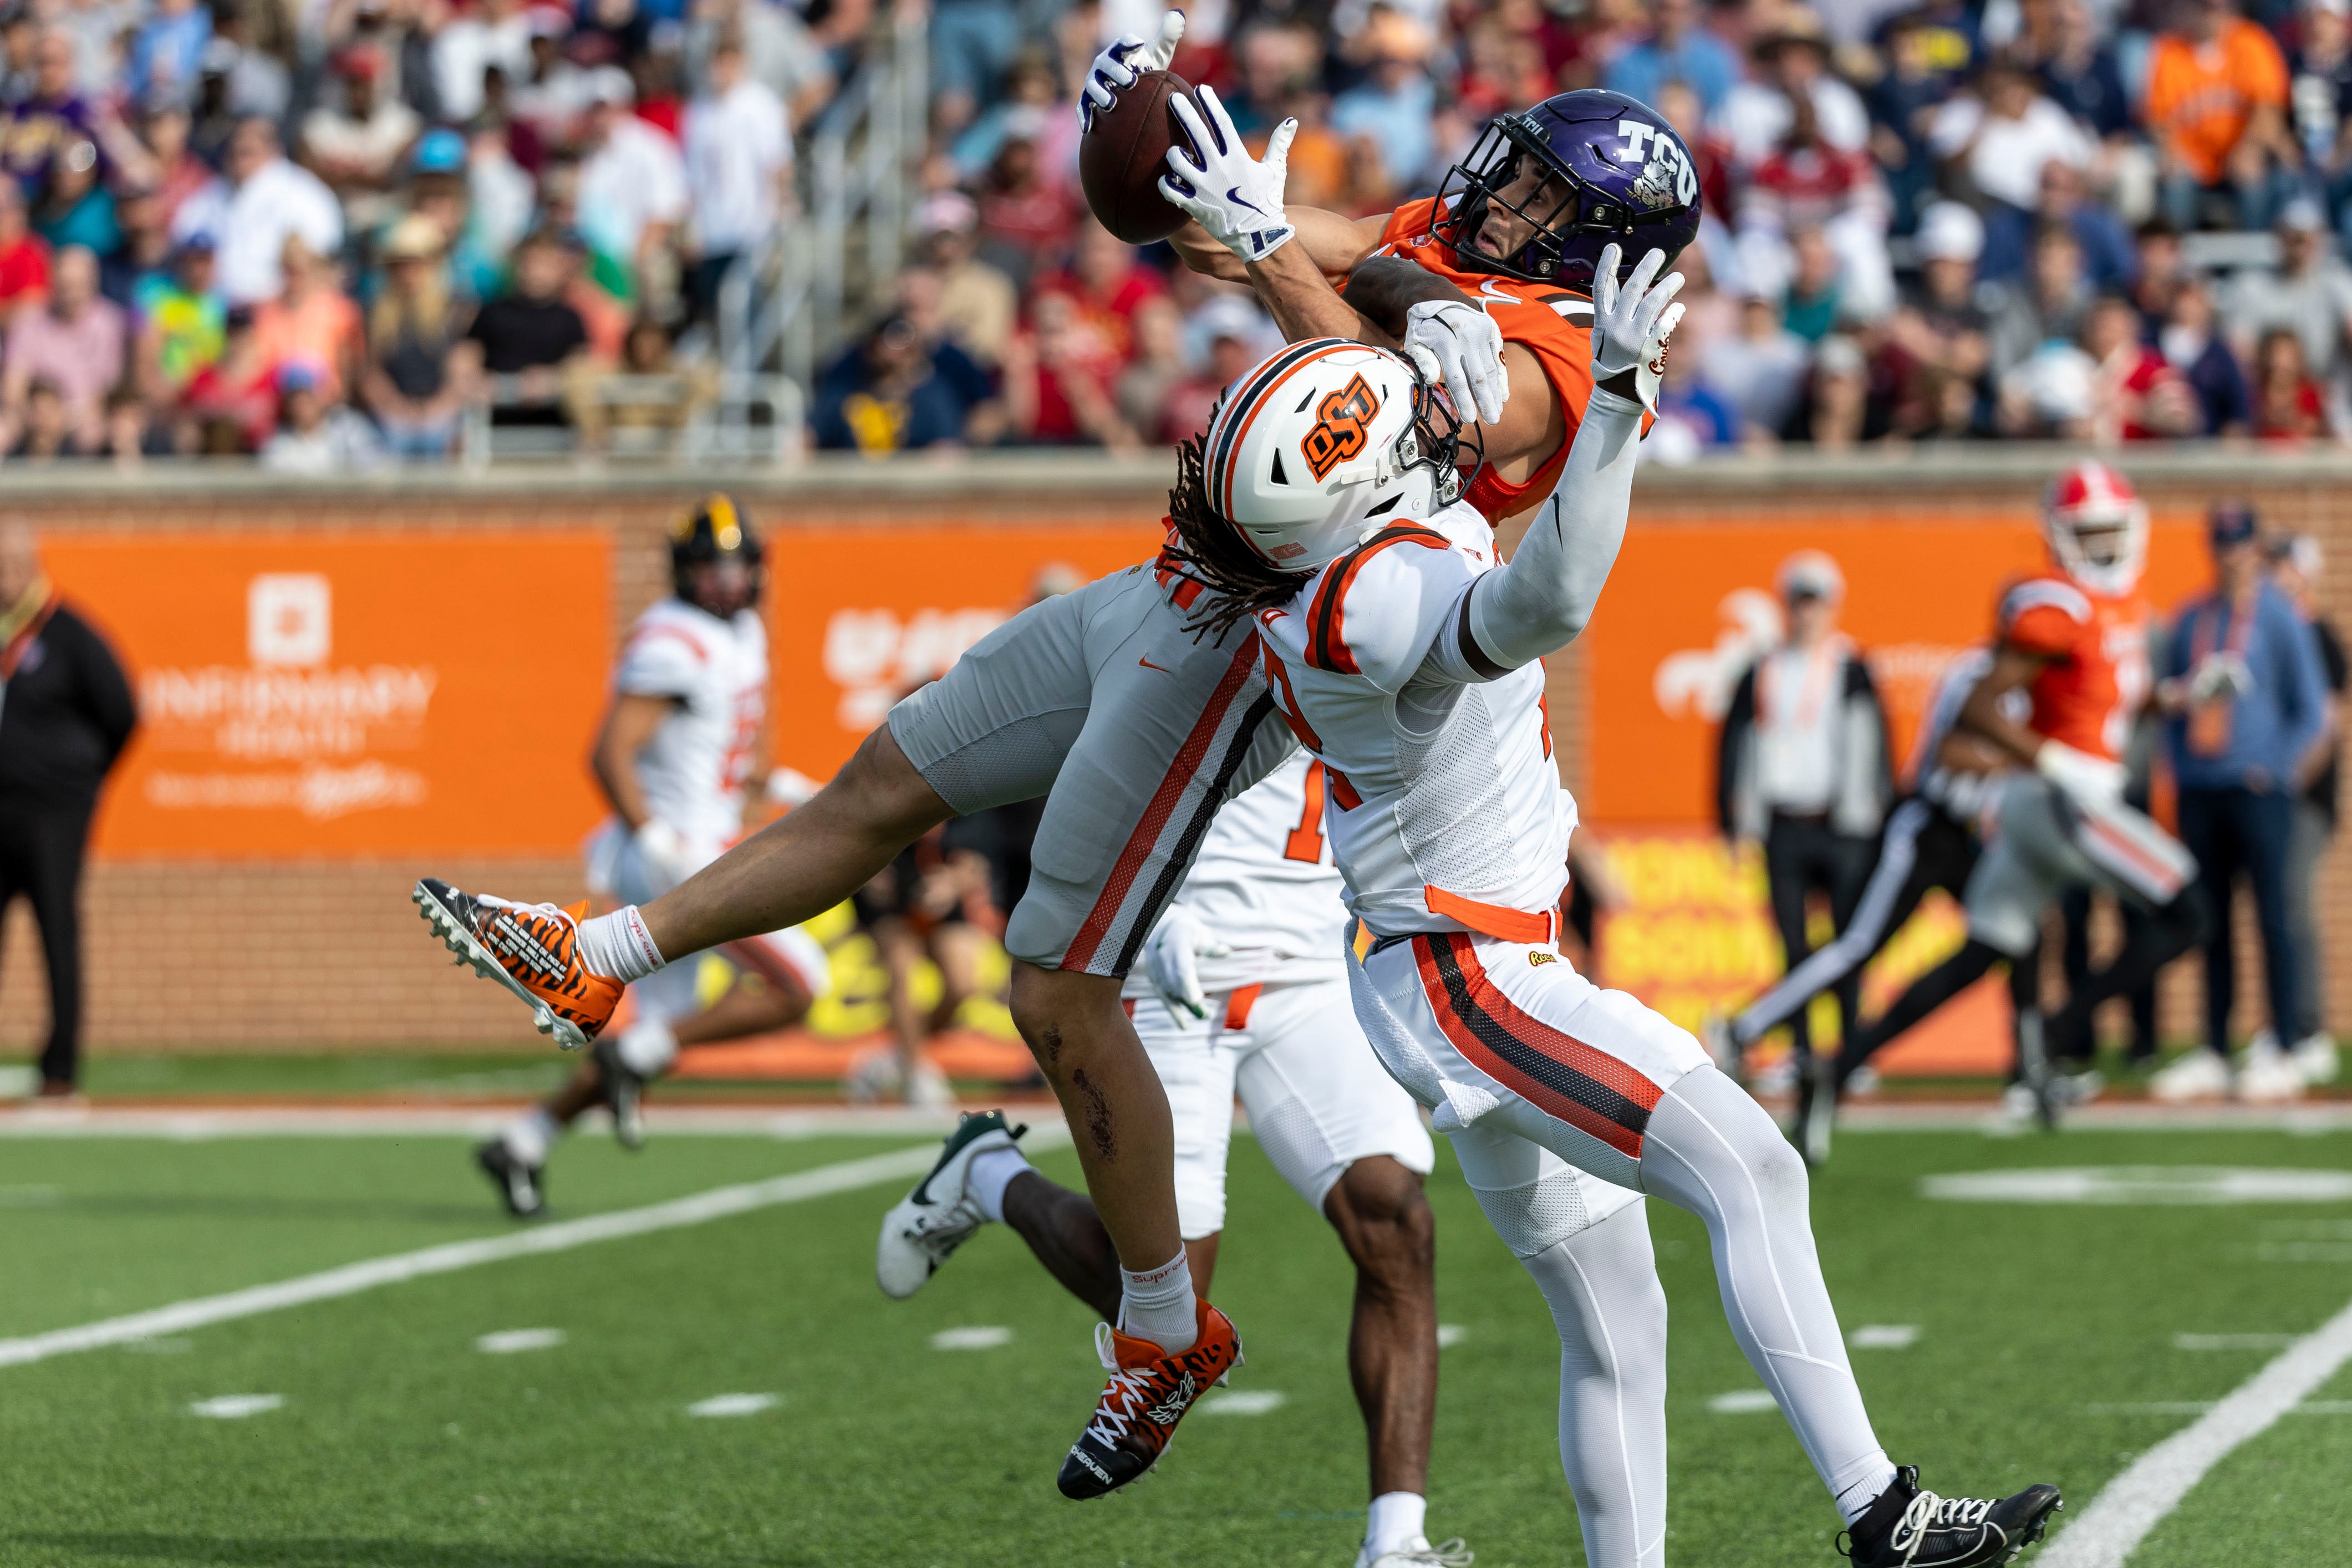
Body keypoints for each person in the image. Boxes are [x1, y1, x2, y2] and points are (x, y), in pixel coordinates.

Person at [1149, 105, 2057, 1561]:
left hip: (1446, 953)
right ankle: (1880, 1513)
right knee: (1751, 1166)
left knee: (1618, 1312)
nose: (1484, 193)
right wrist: (1609, 398)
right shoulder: (1368, 588)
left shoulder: (1360, 526)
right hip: (1471, 972)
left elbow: (1339, 299)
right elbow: (1541, 603)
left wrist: (1276, 232)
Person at [877, 754, 1462, 1568]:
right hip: (1169, 972)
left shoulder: (1355, 628)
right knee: (1164, 1307)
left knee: (1394, 1215)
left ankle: (1397, 1540)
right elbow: (1079, 775)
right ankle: (987, 1175)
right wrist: (1148, 920)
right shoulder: (1173, 625)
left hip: (1309, 970)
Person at [475, 498, 834, 1217]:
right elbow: (609, 753)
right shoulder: (675, 639)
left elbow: (727, 760)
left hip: (706, 843)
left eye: (738, 565)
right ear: (684, 571)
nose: (728, 581)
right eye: (712, 566)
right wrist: (655, 839)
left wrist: (790, 787)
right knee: (802, 983)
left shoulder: (742, 634)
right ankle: (635, 1061)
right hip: (676, 855)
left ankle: (524, 1140)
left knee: (646, 1040)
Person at [1837, 464, 2208, 1126]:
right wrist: (2054, 759)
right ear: (2061, 537)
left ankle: (1838, 1065)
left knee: (1983, 951)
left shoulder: (2121, 603)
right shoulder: (2059, 605)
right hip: (2064, 803)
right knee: (2189, 913)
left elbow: (2113, 700)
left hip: (2058, 801)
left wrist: (2182, 697)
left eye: (2110, 532)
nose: (2103, 547)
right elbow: (1978, 710)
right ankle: (2059, 1032)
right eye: (2088, 534)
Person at [1706, 647, 2005, 1155]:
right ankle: (1745, 1028)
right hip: (1926, 829)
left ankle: (2033, 1067)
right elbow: (1952, 753)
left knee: (2010, 934)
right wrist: (2036, 757)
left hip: (1969, 839)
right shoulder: (1980, 675)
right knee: (1856, 948)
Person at [2149, 502, 2331, 1102]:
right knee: (2212, 920)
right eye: (2223, 544)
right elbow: (2170, 704)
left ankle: (2283, 1040)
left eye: (2241, 544)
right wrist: (2180, 763)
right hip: (2203, 787)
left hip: (2258, 788)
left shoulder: (2280, 619)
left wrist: (2274, 768)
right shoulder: (2191, 618)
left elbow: (2312, 709)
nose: (2232, 556)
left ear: (2256, 549)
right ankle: (2213, 1045)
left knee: (2274, 916)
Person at [1713, 549, 1892, 1158]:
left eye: (1816, 600)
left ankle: (1850, 1052)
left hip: (1842, 824)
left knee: (1846, 943)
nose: (1807, 612)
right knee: (1792, 942)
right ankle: (1802, 1049)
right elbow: (1734, 745)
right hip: (1785, 823)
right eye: (1799, 599)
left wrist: (1874, 818)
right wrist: (1735, 820)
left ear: (1832, 605)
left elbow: (1877, 746)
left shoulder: (1853, 666)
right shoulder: (1762, 668)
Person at [0, 518, 136, 1098]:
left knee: (57, 929)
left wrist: (80, 777)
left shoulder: (68, 631)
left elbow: (122, 710)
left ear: (29, 566)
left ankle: (59, 1069)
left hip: (54, 813)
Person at [2270, 532, 2343, 1084]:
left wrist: (2286, 780)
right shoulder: (2272, 631)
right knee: (2274, 910)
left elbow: (2325, 722)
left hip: (2302, 798)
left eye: (2285, 566)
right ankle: (2283, 1022)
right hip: (2269, 795)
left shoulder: (2317, 635)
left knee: (2294, 908)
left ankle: (2309, 1027)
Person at [2144, 0, 2299, 231]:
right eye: (2206, 8)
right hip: (2191, 159)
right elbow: (2157, 117)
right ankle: (2178, 259)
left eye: (2221, 8)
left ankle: (2253, 259)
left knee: (2257, 174)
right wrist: (2172, 151)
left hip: (2239, 154)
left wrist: (2251, 146)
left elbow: (2269, 106)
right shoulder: (2169, 48)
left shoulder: (2251, 41)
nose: (2214, 15)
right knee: (2174, 178)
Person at [169, 116, 342, 306]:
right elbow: (182, 237)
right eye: (234, 151)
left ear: (273, 149)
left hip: (280, 311)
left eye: (248, 152)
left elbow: (323, 263)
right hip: (216, 311)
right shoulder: (210, 194)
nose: (239, 160)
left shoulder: (306, 196)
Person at [679, 35, 790, 323]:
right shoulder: (698, 110)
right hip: (712, 229)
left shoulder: (761, 104)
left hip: (753, 225)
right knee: (715, 308)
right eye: (717, 63)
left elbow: (777, 162)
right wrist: (692, 226)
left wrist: (779, 207)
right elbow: (692, 173)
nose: (722, 71)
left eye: (729, 63)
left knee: (748, 307)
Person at [0, 244, 123, 452]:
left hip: (83, 417)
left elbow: (104, 392)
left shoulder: (108, 322)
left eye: (79, 286)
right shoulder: (29, 322)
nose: (72, 294)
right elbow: (13, 387)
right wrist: (37, 414)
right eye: (66, 286)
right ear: (53, 284)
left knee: (108, 432)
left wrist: (63, 417)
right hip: (32, 415)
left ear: (93, 284)